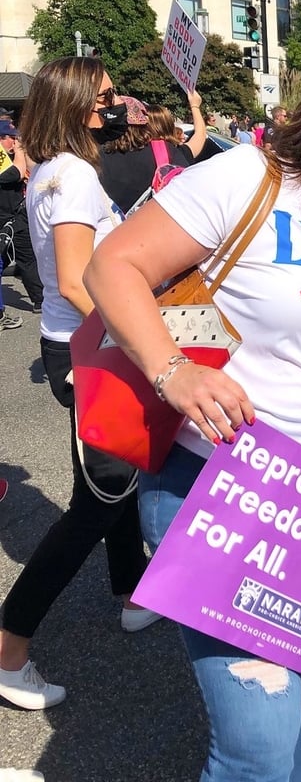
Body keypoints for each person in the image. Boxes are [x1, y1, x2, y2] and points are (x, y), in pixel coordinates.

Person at [83, 43, 301, 782]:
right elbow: (111, 265)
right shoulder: (250, 179)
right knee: (256, 751)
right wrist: (172, 370)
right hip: (223, 491)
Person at [0, 57, 156, 712]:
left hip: (77, 346)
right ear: (74, 104)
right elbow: (72, 279)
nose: (114, 106)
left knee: (109, 484)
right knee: (97, 501)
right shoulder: (77, 177)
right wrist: (147, 341)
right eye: (104, 97)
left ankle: (130, 591)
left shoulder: (52, 172)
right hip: (93, 352)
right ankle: (10, 650)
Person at [100, 92, 207, 214]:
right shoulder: (166, 152)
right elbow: (199, 137)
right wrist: (195, 106)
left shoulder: (94, 155)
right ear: (142, 120)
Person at [0, 120, 42, 314]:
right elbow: (15, 173)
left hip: (16, 213)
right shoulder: (8, 159)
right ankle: (40, 299)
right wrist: (19, 152)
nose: (13, 142)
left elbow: (32, 172)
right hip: (8, 219)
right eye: (8, 138)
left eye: (15, 137)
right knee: (27, 258)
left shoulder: (9, 157)